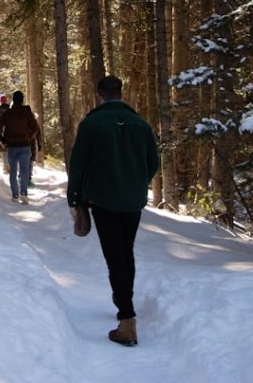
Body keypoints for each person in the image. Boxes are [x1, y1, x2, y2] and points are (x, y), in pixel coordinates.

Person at [67, 75, 159, 347]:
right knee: (125, 251)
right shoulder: (140, 124)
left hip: (102, 199)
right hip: (132, 200)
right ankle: (123, 301)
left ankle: (127, 318)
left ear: (99, 95)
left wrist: (75, 196)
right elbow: (152, 162)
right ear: (121, 93)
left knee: (115, 255)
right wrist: (137, 182)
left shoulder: (92, 123)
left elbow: (79, 163)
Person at [0, 90, 40, 204]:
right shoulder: (27, 113)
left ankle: (15, 195)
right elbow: (35, 128)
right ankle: (23, 194)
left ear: (13, 100)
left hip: (12, 146)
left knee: (13, 172)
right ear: (22, 100)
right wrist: (29, 137)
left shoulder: (8, 113)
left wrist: (3, 139)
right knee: (24, 171)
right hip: (25, 145)